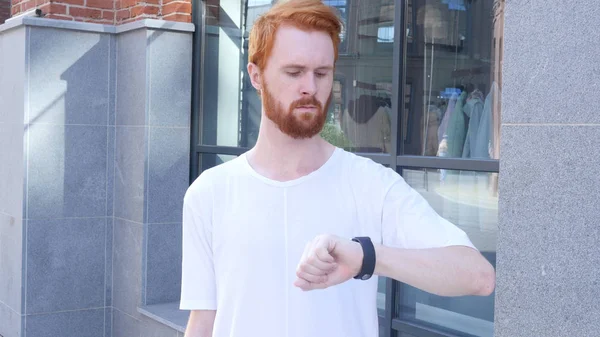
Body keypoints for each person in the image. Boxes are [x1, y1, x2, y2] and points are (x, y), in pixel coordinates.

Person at [179, 1, 496, 336]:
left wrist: (366, 258)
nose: (310, 88)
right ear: (256, 76)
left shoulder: (370, 184)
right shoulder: (209, 193)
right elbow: (203, 321)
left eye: (322, 73)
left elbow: (477, 276)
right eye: (294, 72)